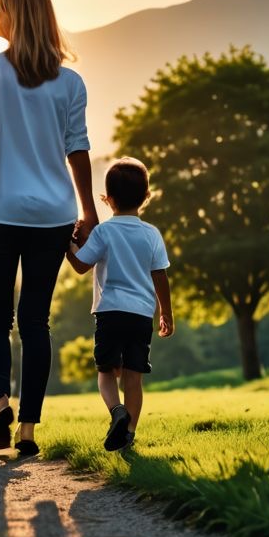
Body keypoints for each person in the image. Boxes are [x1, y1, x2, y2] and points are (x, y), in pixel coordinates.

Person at [0, 0, 98, 456]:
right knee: (35, 321)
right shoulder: (71, 82)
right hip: (53, 214)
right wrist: (89, 210)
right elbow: (78, 149)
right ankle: (28, 429)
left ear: (15, 15)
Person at [65, 157, 174, 451]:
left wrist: (69, 244)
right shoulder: (151, 234)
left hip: (110, 312)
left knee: (105, 371)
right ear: (146, 196)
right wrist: (166, 313)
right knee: (134, 377)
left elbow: (80, 266)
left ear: (107, 199)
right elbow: (160, 275)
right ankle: (129, 433)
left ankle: (117, 411)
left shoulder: (104, 232)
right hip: (141, 315)